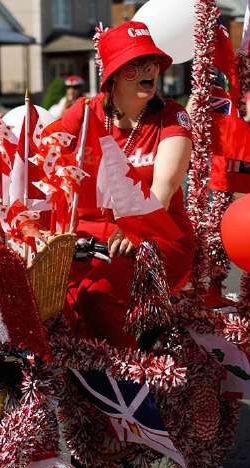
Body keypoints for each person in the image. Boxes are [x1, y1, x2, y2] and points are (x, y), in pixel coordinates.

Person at [55, 21, 193, 348]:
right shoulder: (85, 112)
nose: (148, 71)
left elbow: (164, 187)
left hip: (155, 234)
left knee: (97, 294)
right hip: (92, 232)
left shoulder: (172, 117)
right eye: (134, 65)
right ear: (113, 75)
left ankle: (127, 380)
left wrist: (135, 228)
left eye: (152, 63)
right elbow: (44, 155)